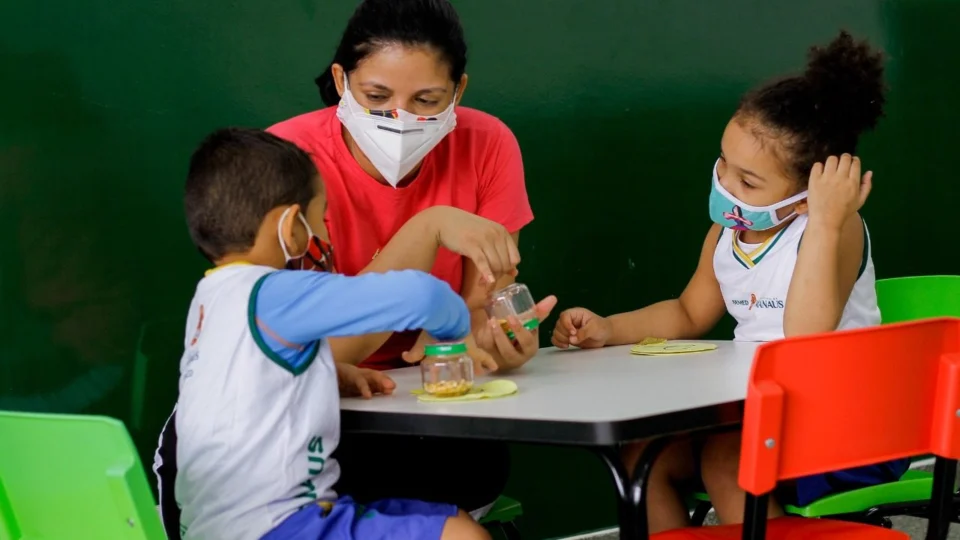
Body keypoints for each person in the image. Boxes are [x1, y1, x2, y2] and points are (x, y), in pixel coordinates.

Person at [551, 31, 909, 533]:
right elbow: (688, 312)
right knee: (642, 455)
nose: (724, 183)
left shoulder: (834, 228)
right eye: (724, 162)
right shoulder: (729, 230)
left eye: (748, 181)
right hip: (760, 417)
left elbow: (806, 338)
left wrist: (827, 220)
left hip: (844, 429)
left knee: (726, 457)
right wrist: (608, 328)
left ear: (808, 195)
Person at [267, 0, 555, 517]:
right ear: (340, 81)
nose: (400, 118)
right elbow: (310, 355)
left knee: (467, 474)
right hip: (319, 415)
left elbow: (481, 307)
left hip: (436, 411)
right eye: (377, 96)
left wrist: (494, 338)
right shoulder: (285, 160)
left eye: (427, 100)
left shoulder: (487, 144)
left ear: (458, 91)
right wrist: (428, 230)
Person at [169, 127, 494, 540]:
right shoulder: (274, 291)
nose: (322, 235)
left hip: (216, 528)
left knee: (453, 521)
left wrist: (329, 372)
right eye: (320, 219)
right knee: (465, 537)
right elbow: (421, 294)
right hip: (281, 525)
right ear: (289, 226)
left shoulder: (210, 300)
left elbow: (249, 383)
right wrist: (456, 329)